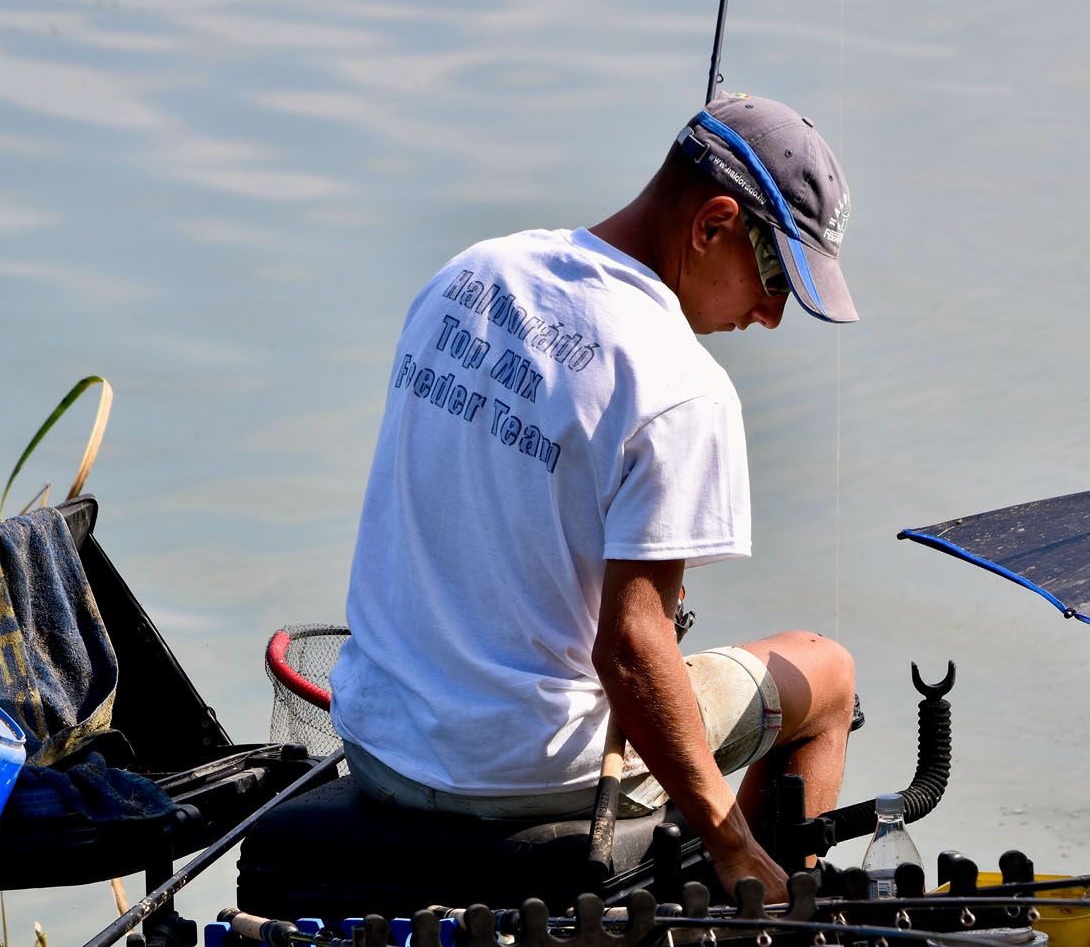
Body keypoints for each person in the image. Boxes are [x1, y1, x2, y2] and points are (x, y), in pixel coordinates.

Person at [330, 94, 858, 901]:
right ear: (713, 223)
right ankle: (764, 927)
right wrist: (729, 838)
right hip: (530, 773)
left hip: (379, 741)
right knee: (825, 671)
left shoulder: (469, 277)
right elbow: (629, 649)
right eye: (777, 277)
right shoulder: (683, 389)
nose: (772, 315)